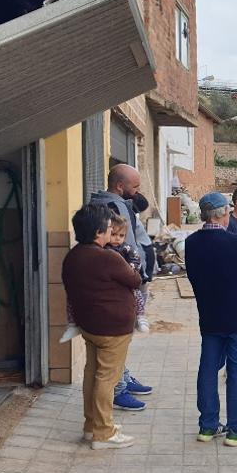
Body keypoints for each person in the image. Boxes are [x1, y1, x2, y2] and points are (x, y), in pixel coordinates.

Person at [186, 192, 237, 446]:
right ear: (223, 214)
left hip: (210, 316)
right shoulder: (235, 242)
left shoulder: (191, 242)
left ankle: (208, 426)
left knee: (208, 369)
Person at [61, 204, 141, 450]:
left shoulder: (73, 256)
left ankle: (91, 426)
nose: (111, 232)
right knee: (107, 379)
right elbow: (135, 280)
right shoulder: (108, 257)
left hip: (89, 326)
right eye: (108, 228)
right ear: (98, 231)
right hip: (112, 329)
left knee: (92, 375)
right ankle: (104, 434)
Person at [90, 164, 153, 411]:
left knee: (123, 338)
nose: (138, 192)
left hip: (127, 282)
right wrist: (134, 277)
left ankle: (123, 377)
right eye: (135, 187)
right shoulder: (112, 207)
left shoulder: (120, 204)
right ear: (119, 186)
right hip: (121, 286)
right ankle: (118, 389)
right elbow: (121, 251)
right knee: (116, 339)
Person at [106, 216, 148, 332]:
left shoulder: (126, 248)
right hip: (110, 281)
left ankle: (140, 316)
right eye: (113, 234)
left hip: (126, 279)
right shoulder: (104, 248)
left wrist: (130, 269)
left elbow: (136, 259)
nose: (117, 239)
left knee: (137, 295)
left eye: (121, 236)